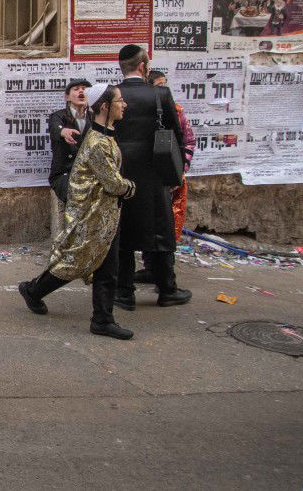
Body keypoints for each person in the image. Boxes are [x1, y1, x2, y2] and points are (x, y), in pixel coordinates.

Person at [19, 84, 136, 339]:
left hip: (105, 214)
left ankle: (102, 320)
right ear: (105, 106)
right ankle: (33, 290)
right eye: (119, 101)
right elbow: (113, 183)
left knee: (107, 267)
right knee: (74, 263)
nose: (124, 105)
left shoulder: (104, 135)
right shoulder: (97, 143)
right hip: (92, 215)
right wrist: (130, 187)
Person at [113, 45, 191, 310]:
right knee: (161, 233)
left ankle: (124, 293)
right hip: (155, 175)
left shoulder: (112, 95)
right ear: (144, 66)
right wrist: (176, 174)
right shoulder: (160, 94)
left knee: (121, 234)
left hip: (121, 175)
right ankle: (167, 289)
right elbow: (176, 136)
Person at [136, 70, 196, 285]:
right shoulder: (143, 111)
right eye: (159, 85)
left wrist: (178, 173)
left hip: (172, 179)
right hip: (149, 178)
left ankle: (165, 275)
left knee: (167, 226)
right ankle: (151, 268)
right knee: (147, 224)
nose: (164, 89)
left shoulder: (176, 111)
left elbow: (188, 142)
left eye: (165, 84)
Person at [47, 78, 92, 204]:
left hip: (89, 173)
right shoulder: (58, 116)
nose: (81, 91)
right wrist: (63, 132)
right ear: (67, 97)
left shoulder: (95, 118)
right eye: (76, 89)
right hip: (65, 174)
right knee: (75, 195)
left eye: (84, 89)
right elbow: (55, 127)